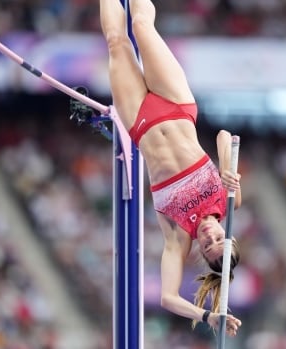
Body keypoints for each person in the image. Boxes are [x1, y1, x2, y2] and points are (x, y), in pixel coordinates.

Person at [99, 0, 243, 337]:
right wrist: (225, 167)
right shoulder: (229, 202)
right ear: (228, 233)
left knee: (117, 42)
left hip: (140, 121)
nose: (209, 237)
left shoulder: (178, 237)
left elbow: (167, 297)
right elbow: (224, 136)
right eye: (219, 239)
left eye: (207, 247)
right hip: (176, 104)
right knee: (142, 28)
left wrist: (206, 317)